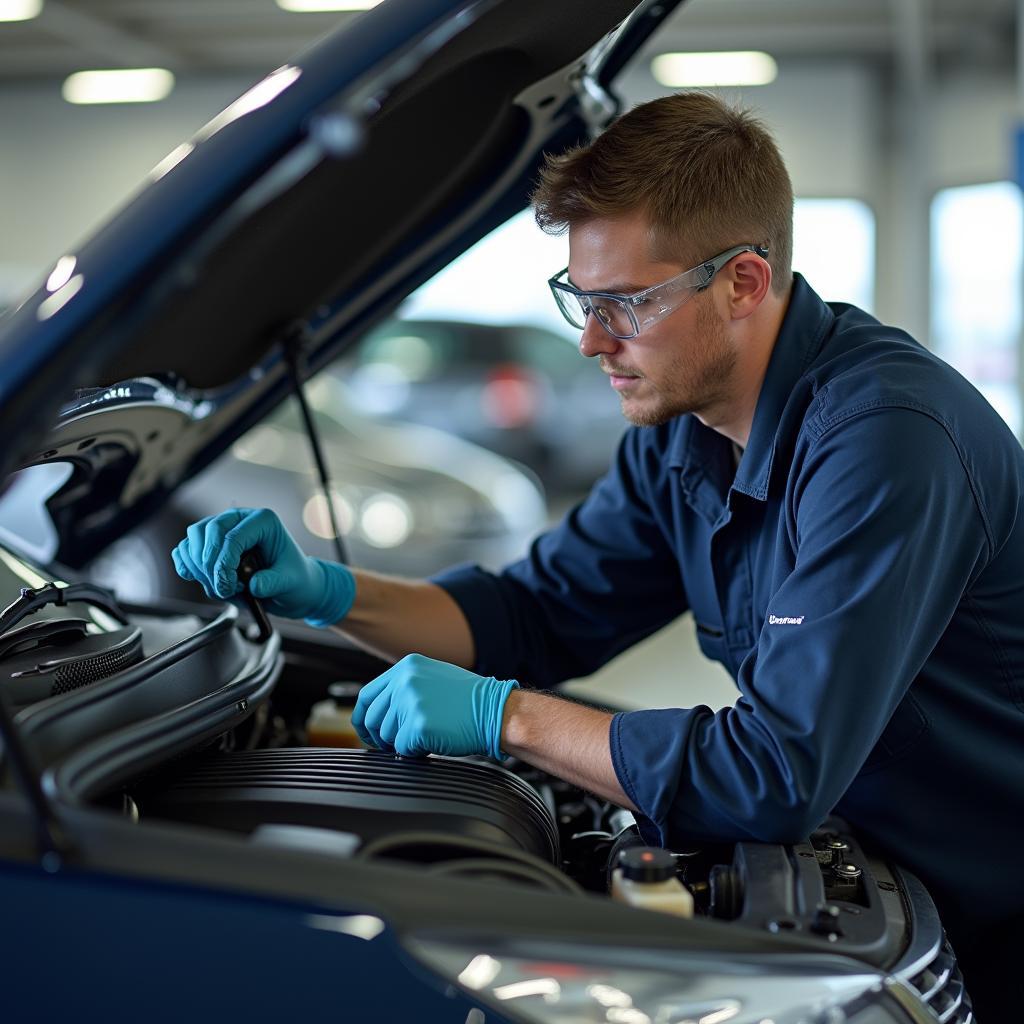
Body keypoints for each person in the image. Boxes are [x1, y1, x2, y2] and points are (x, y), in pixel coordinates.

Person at [173, 92, 1024, 1016]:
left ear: (743, 282)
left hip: (993, 923)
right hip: (879, 879)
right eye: (581, 298)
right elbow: (532, 615)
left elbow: (772, 772)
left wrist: (510, 719)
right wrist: (328, 592)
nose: (590, 341)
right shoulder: (681, 434)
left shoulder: (886, 437)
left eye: (626, 303)